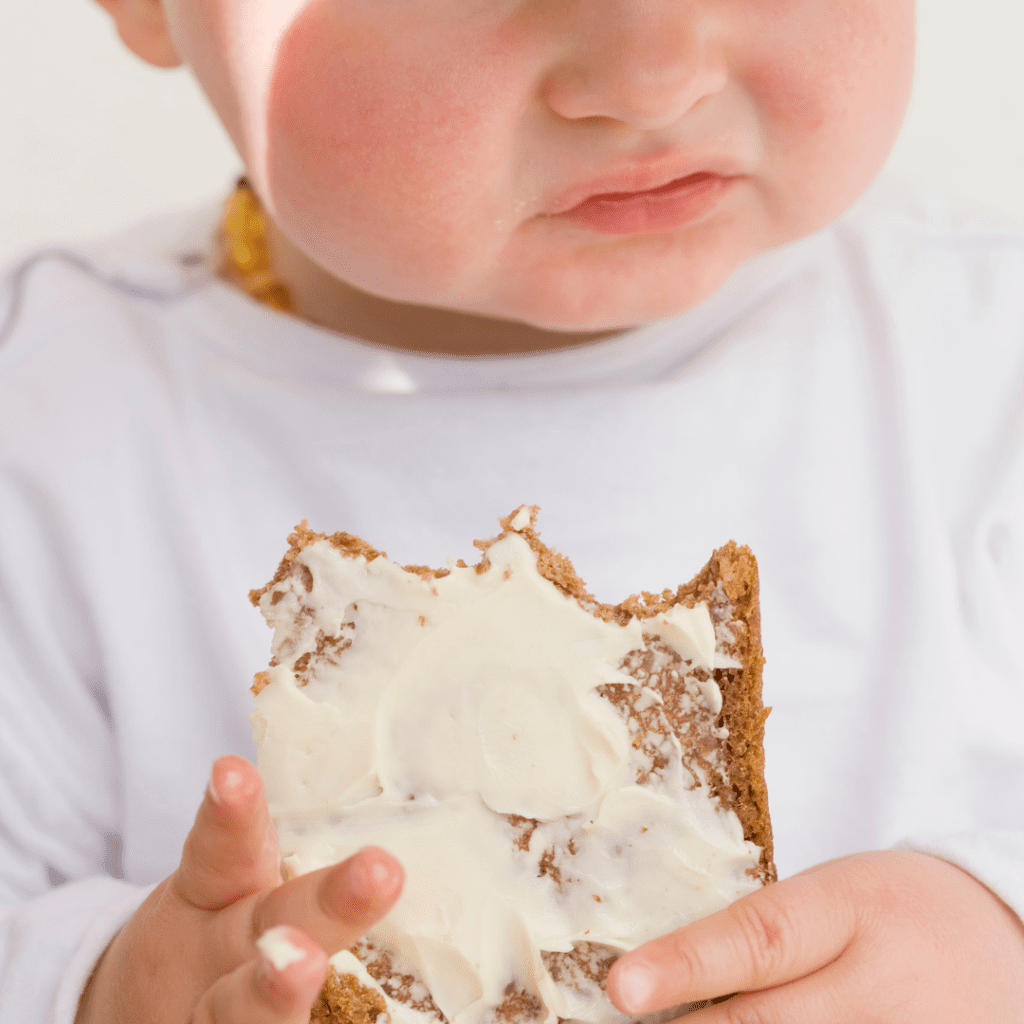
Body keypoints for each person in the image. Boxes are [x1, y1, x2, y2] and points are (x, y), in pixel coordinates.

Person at [0, 0, 1022, 1021]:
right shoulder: (47, 429)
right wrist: (110, 990)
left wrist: (1000, 950)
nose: (654, 75)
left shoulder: (986, 368)